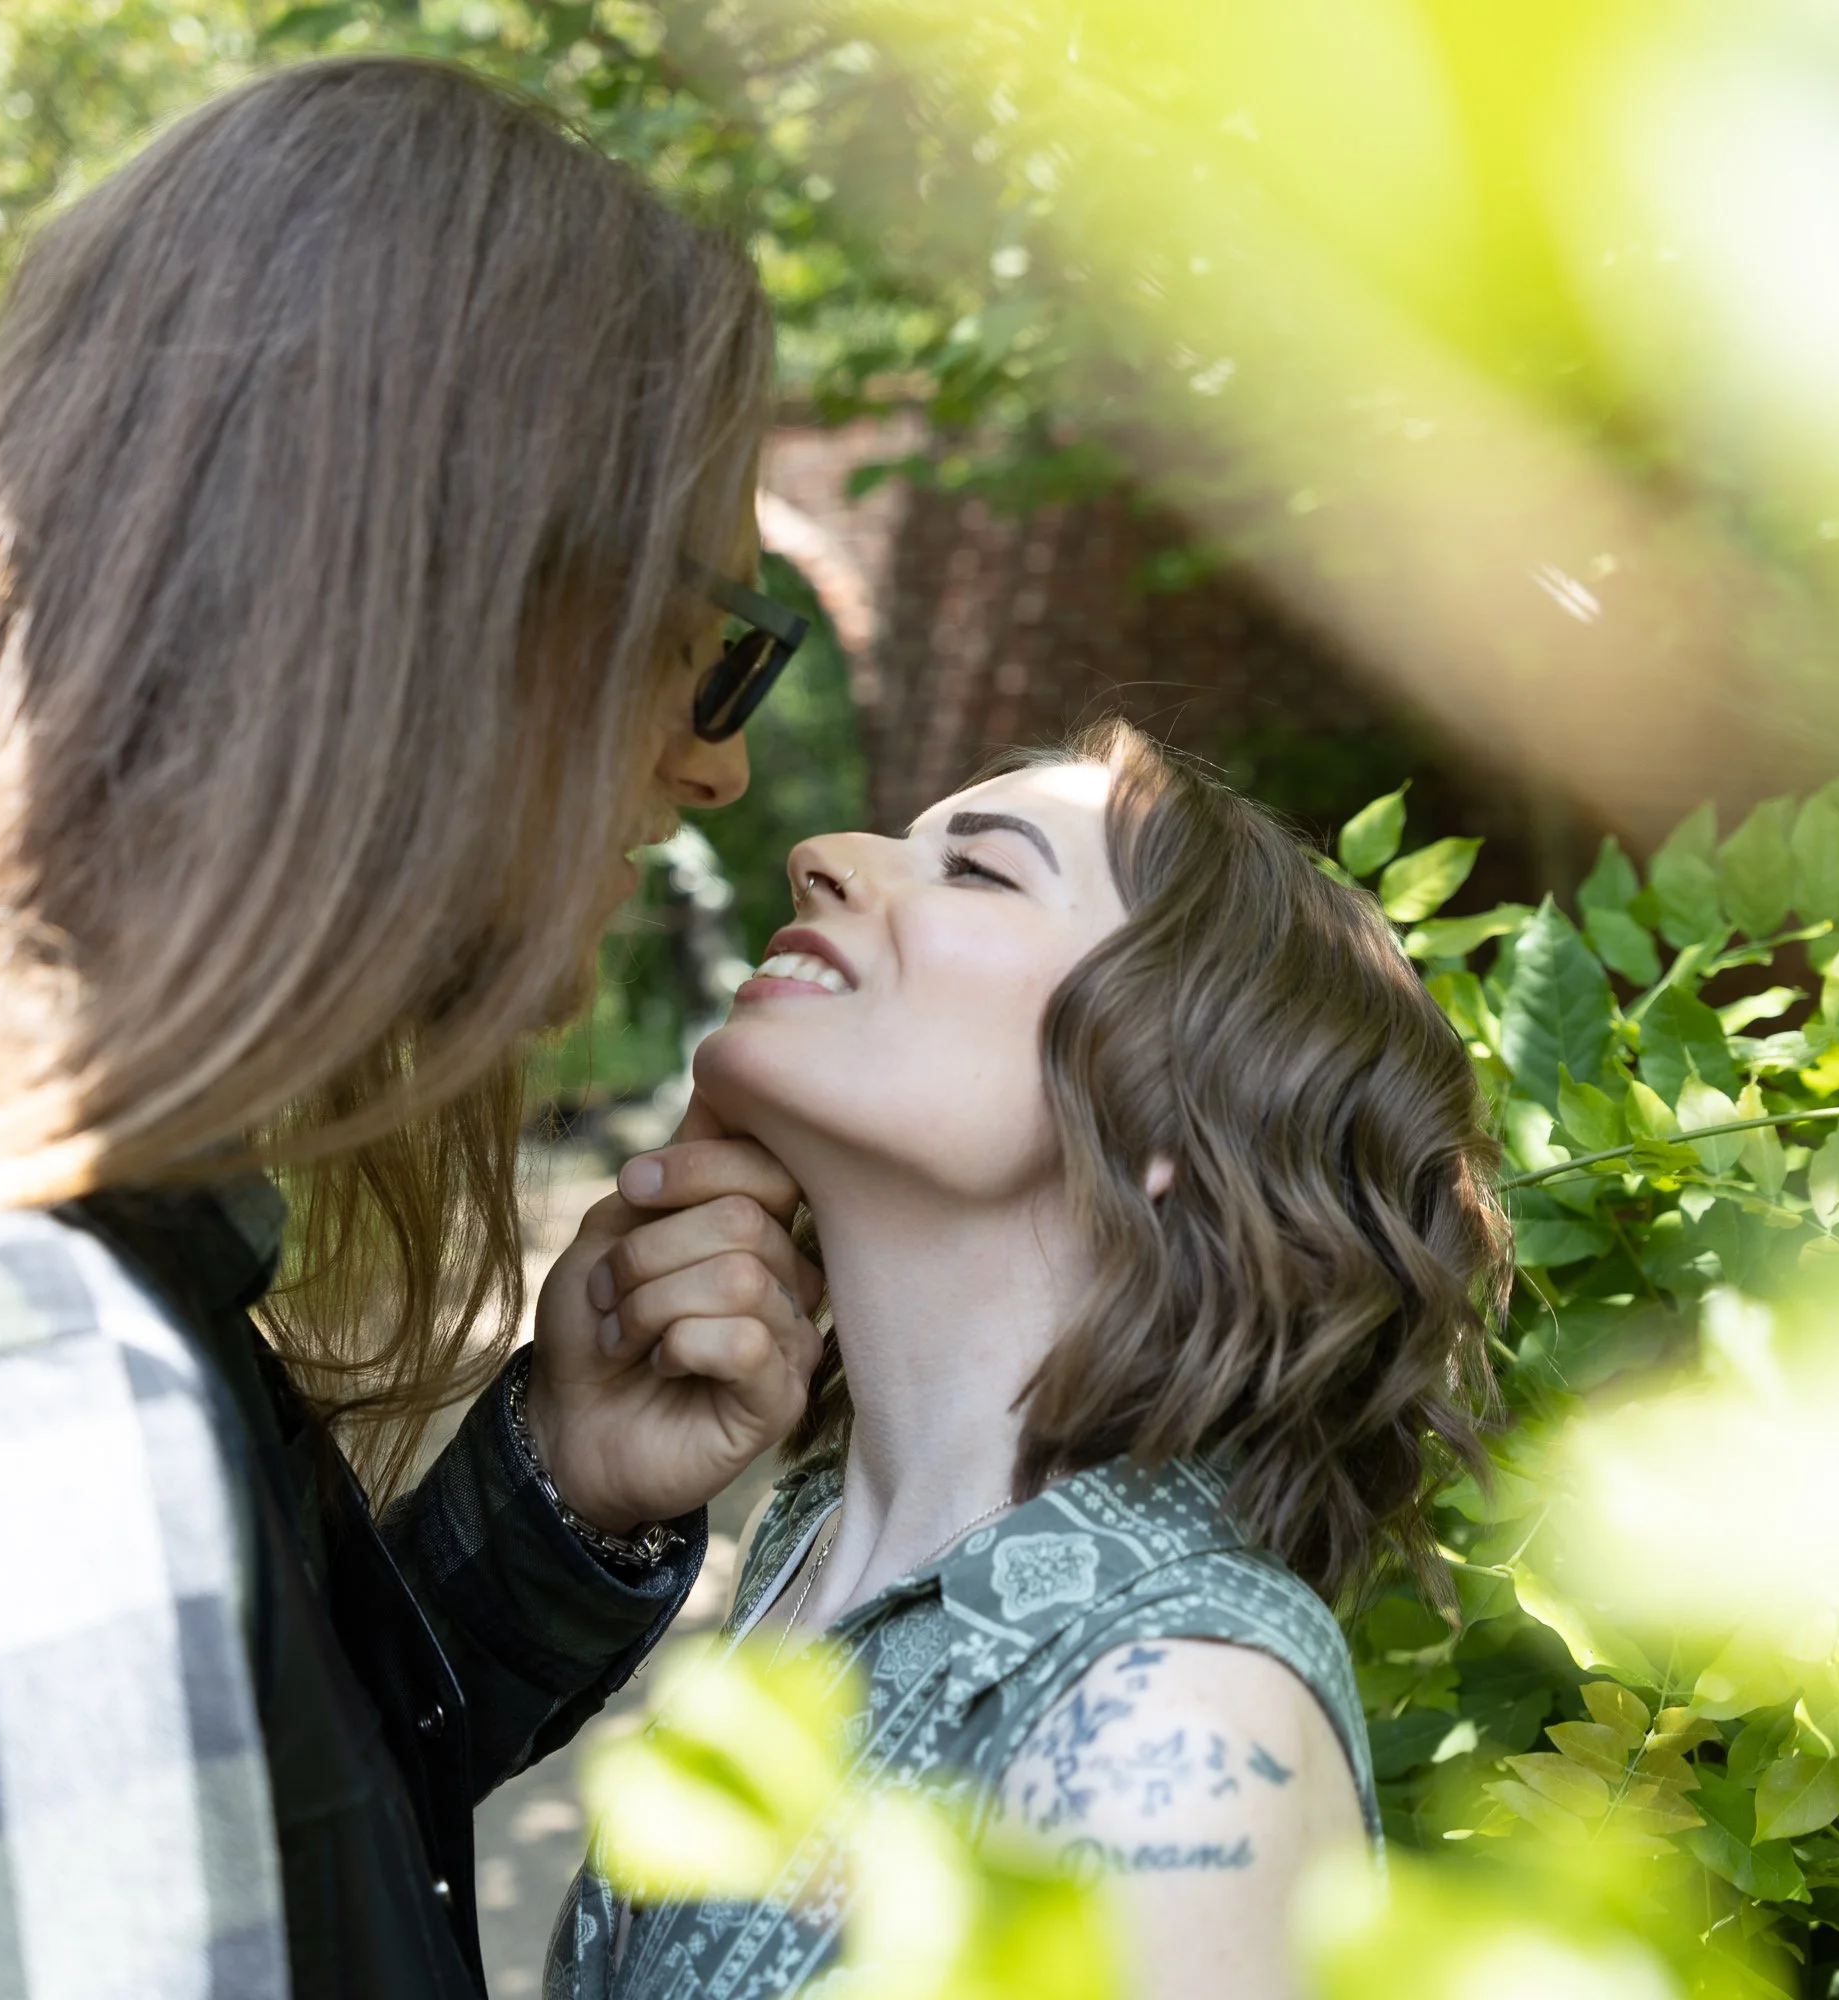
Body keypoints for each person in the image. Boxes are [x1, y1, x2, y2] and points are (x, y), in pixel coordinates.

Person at [0, 59, 831, 1999]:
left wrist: (552, 1502)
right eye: (715, 647)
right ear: (451, 616)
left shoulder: (25, 1264)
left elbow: (234, 1833)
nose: (721, 767)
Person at [557, 720, 1513, 2000]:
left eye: (977, 869)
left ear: (1163, 1100)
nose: (820, 854)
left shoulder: (1174, 1716)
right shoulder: (807, 1540)